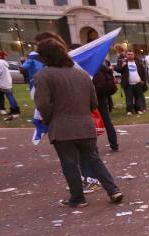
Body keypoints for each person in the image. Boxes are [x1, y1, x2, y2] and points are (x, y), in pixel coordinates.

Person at [33, 38, 122, 208]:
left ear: (45, 56)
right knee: (94, 159)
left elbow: (43, 103)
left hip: (61, 126)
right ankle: (113, 190)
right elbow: (93, 102)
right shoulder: (82, 74)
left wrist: (48, 118)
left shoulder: (43, 75)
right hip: (85, 124)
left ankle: (77, 197)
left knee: (69, 163)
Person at [92, 60, 119, 151]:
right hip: (102, 97)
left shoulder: (92, 69)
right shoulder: (103, 67)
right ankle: (114, 143)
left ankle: (92, 147)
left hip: (93, 97)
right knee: (107, 121)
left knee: (90, 122)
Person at [0, 51, 20, 120]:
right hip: (7, 81)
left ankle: (15, 110)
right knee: (10, 96)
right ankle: (15, 110)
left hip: (3, 82)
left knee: (10, 96)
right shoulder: (3, 62)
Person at [119, 50, 147, 115]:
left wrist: (143, 80)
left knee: (138, 97)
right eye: (128, 54)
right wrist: (122, 66)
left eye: (131, 54)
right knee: (129, 98)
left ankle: (138, 109)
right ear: (126, 55)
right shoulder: (123, 63)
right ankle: (129, 110)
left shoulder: (138, 63)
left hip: (138, 83)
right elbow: (117, 69)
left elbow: (143, 72)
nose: (130, 56)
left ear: (134, 55)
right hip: (128, 84)